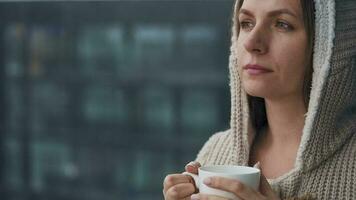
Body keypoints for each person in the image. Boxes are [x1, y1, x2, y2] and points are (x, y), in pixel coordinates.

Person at [163, 0, 356, 199]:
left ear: (331, 43)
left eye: (282, 24)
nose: (251, 42)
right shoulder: (215, 151)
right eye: (246, 23)